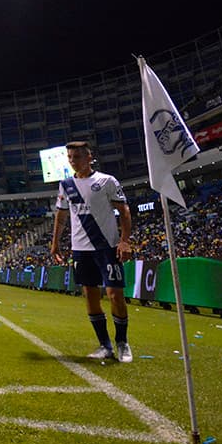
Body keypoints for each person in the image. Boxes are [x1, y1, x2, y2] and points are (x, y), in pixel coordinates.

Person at [50, 141, 133, 363]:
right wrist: (55, 243)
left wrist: (124, 241)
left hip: (107, 246)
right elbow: (61, 216)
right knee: (90, 295)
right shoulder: (66, 185)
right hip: (80, 249)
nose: (73, 161)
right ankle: (105, 345)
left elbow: (124, 210)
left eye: (77, 157)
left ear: (89, 157)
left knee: (115, 295)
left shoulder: (106, 181)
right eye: (70, 157)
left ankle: (122, 342)